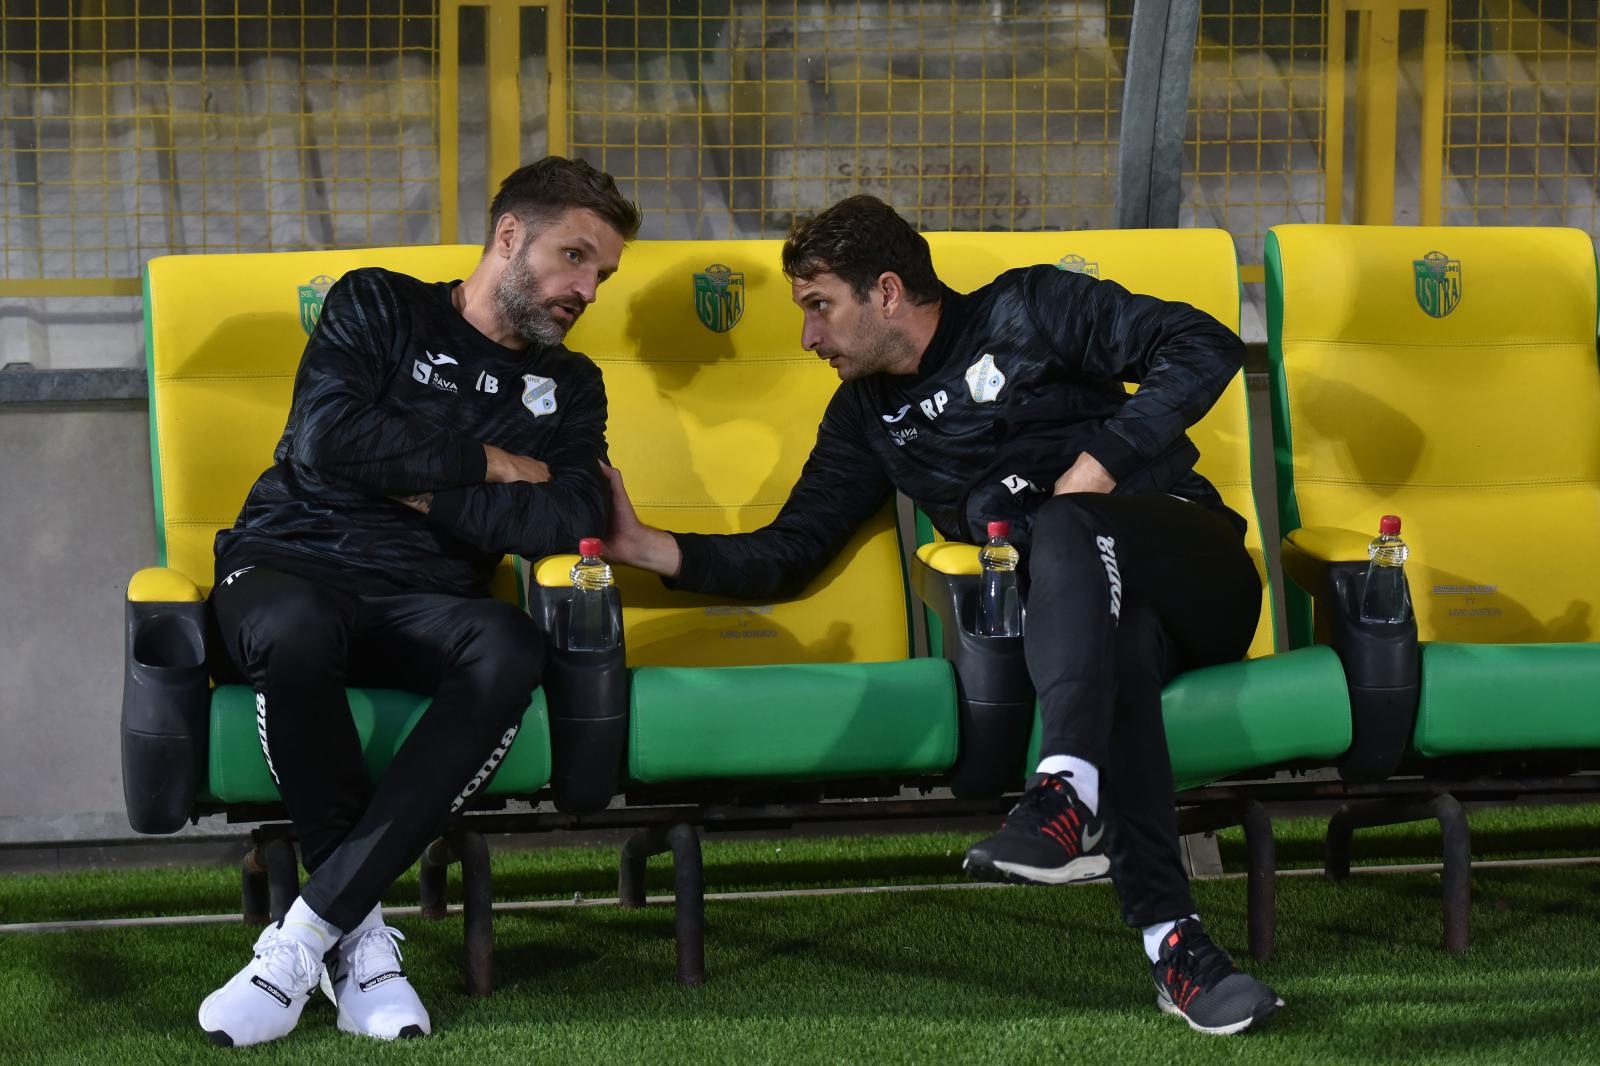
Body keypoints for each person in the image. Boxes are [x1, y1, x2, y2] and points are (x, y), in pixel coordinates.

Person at [601, 195, 1281, 1035]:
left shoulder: (1030, 307)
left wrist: (1096, 469)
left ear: (887, 292)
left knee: (1068, 524)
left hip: (1194, 569)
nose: (809, 337)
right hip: (1095, 630)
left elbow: (1203, 343)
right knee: (1121, 658)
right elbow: (792, 549)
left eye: (820, 307)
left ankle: (1064, 791)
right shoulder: (866, 418)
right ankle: (1176, 949)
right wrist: (650, 547)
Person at [197, 156, 640, 1047]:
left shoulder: (573, 385)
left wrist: (415, 487)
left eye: (602, 273)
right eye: (575, 257)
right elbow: (327, 438)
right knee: (296, 626)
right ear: (509, 236)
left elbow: (570, 515)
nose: (588, 290)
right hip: (289, 563)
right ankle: (362, 947)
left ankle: (305, 939)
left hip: (427, 600)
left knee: (510, 643)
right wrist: (491, 463)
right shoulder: (378, 303)